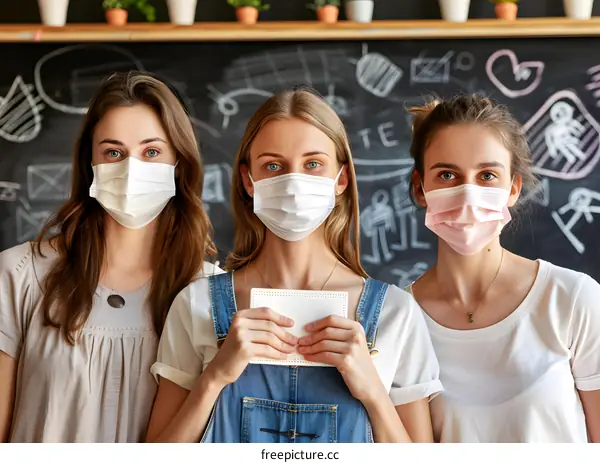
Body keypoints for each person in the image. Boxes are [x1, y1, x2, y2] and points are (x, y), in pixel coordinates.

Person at [144, 88, 443, 443]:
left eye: (313, 164)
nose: (293, 181)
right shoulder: (196, 305)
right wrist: (215, 377)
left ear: (341, 180)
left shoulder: (397, 312)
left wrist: (373, 392)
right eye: (273, 166)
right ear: (248, 180)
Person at [0, 71, 222, 443]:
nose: (131, 168)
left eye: (151, 152)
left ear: (178, 164)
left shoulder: (210, 293)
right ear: (91, 164)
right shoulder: (18, 275)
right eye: (113, 152)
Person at [405, 94, 600, 443]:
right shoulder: (399, 319)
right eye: (447, 175)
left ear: (513, 188)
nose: (467, 194)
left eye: (487, 175)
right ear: (421, 189)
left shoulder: (572, 300)